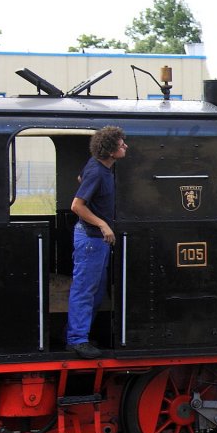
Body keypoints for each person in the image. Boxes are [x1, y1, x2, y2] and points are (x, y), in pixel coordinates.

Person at [66, 126, 127, 359]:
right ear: (111, 150)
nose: (125, 147)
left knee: (97, 290)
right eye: (122, 145)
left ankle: (79, 335)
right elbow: (76, 205)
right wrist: (102, 224)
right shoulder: (97, 172)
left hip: (95, 241)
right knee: (85, 289)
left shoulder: (97, 166)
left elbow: (80, 178)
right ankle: (77, 339)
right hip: (91, 239)